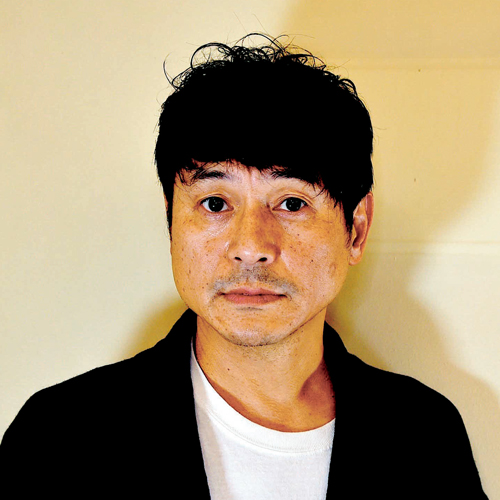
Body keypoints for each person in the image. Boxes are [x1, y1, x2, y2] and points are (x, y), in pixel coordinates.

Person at [1, 34, 488, 499]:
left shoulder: (425, 438)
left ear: (356, 230)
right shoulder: (59, 439)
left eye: (292, 203)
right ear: (171, 222)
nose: (251, 247)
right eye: (215, 203)